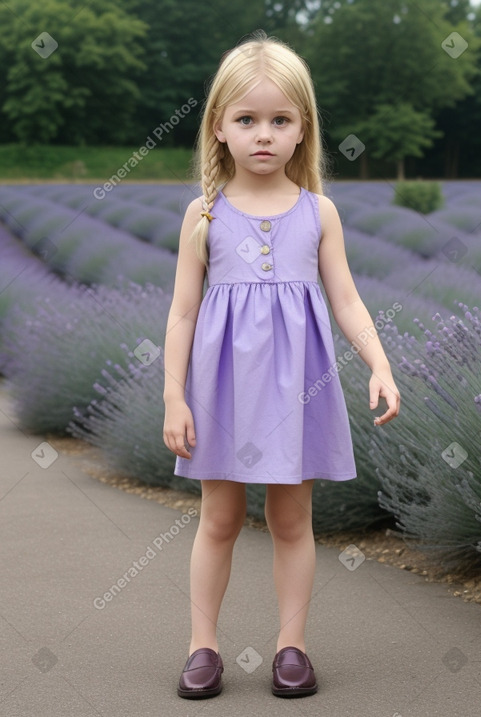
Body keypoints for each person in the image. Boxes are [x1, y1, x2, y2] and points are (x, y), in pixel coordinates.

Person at [162, 30, 400, 700]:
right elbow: (182, 314)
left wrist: (379, 363)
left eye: (279, 120)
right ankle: (201, 645)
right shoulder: (202, 215)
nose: (262, 134)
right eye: (246, 119)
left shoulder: (318, 212)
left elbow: (346, 299)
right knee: (219, 518)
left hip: (299, 391)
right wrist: (173, 396)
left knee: (294, 520)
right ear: (218, 127)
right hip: (221, 392)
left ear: (303, 130)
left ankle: (290, 646)